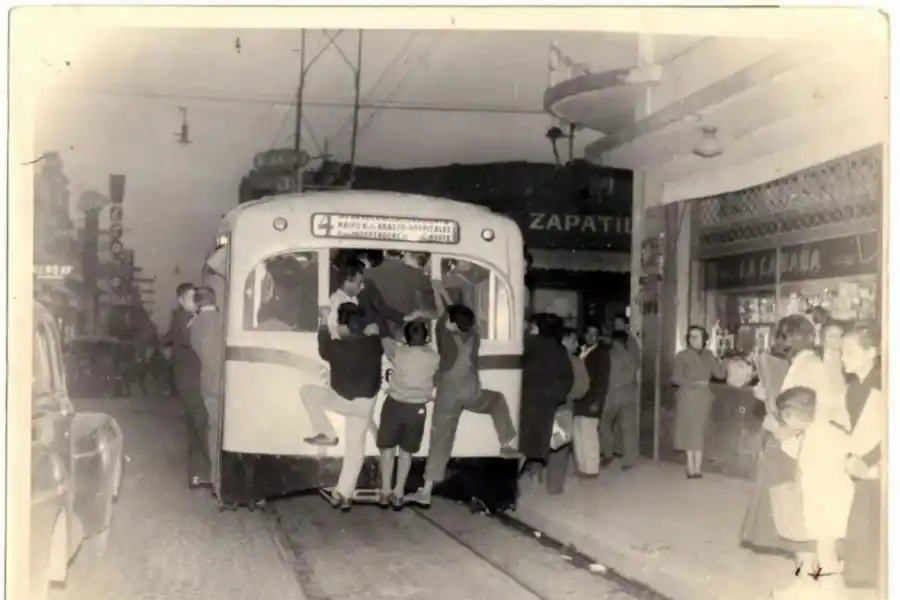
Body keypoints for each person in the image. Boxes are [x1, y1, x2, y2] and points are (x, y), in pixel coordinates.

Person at [405, 304, 520, 507]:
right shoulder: (474, 337)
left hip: (448, 396)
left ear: (451, 323)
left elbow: (441, 316)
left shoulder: (444, 336)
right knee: (497, 400)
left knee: (440, 440)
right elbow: (456, 318)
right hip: (471, 393)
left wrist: (424, 312)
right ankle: (505, 444)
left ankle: (426, 490)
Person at [770, 386, 854, 600]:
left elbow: (817, 466)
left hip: (827, 501)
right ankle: (807, 588)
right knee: (819, 549)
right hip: (821, 499)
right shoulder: (818, 430)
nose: (785, 423)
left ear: (792, 415)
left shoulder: (822, 434)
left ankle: (832, 594)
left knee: (826, 553)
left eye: (785, 418)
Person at [300, 303, 383, 511]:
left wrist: (323, 320)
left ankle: (327, 432)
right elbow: (372, 334)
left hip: (341, 401)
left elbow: (324, 345)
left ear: (345, 327)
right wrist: (372, 331)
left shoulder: (336, 347)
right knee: (355, 447)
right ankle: (343, 494)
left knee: (307, 392)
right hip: (364, 405)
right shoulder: (374, 344)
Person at [376, 320, 440, 510]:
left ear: (405, 337)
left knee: (387, 450)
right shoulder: (434, 357)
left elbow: (387, 341)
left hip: (394, 406)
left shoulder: (399, 353)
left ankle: (385, 491)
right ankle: (399, 493)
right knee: (406, 452)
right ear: (426, 337)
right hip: (417, 409)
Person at [840, 324, 884, 590]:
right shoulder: (856, 387)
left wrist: (866, 459)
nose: (843, 358)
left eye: (850, 352)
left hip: (878, 464)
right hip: (862, 463)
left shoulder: (881, 383)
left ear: (872, 352)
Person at [161, 282, 209, 488]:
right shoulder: (184, 319)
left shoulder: (185, 318)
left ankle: (196, 474)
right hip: (189, 380)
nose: (195, 302)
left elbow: (166, 339)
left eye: (196, 297)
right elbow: (186, 338)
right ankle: (205, 472)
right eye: (191, 297)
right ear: (181, 300)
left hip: (186, 379)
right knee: (200, 423)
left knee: (194, 425)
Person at [518, 313, 574, 478]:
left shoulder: (527, 344)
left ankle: (506, 489)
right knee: (530, 447)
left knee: (519, 446)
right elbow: (568, 380)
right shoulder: (559, 350)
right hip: (545, 406)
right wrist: (554, 395)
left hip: (524, 402)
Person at [670, 325, 726, 478]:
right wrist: (694, 382)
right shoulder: (681, 356)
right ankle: (690, 466)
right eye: (691, 336)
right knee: (690, 432)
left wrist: (725, 361)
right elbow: (675, 378)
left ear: (705, 339)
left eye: (698, 336)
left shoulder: (709, 355)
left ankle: (698, 468)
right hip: (687, 398)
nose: (694, 339)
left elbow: (720, 375)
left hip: (703, 399)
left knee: (700, 432)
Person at [543, 328, 590, 494]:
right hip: (563, 407)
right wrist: (570, 395)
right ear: (564, 340)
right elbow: (582, 387)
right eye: (573, 341)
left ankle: (537, 475)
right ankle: (554, 485)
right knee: (560, 445)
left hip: (541, 405)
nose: (576, 344)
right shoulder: (574, 362)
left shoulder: (544, 357)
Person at [189, 286, 224, 483]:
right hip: (229, 382)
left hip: (210, 382)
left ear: (198, 303)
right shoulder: (225, 319)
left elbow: (202, 353)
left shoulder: (197, 323)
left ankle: (216, 479)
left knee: (213, 429)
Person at [359, 250, 435, 339]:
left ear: (385, 252)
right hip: (409, 336)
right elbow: (433, 310)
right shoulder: (418, 275)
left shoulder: (366, 275)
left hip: (376, 337)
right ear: (402, 253)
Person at [572, 324, 609, 477]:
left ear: (599, 337)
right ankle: (582, 467)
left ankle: (592, 468)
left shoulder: (601, 354)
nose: (591, 337)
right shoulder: (581, 352)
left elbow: (602, 381)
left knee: (589, 436)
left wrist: (598, 402)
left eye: (595, 334)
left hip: (592, 400)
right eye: (589, 333)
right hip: (579, 400)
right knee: (578, 435)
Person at [327, 258, 365, 339]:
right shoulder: (336, 302)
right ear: (347, 282)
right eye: (359, 283)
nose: (362, 287)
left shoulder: (355, 299)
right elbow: (334, 332)